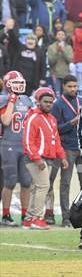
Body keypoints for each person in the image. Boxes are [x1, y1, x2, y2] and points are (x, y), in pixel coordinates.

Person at [22, 87, 69, 230]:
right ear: (38, 102)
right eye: (45, 102)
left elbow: (56, 141)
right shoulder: (33, 118)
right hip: (36, 159)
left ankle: (29, 219)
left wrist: (63, 157)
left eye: (50, 102)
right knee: (43, 186)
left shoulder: (52, 119)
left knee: (37, 188)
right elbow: (27, 142)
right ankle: (37, 219)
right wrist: (37, 159)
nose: (48, 104)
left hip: (48, 158)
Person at [44, 76, 82, 227]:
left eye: (75, 86)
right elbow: (54, 129)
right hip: (66, 147)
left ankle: (81, 216)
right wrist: (71, 123)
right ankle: (66, 217)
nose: (73, 89)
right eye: (70, 86)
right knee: (65, 183)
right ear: (63, 86)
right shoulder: (58, 104)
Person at [0, 71, 33, 226]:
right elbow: (6, 121)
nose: (19, 86)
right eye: (15, 83)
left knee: (27, 181)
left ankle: (25, 216)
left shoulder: (27, 100)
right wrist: (11, 101)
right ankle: (6, 215)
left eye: (21, 83)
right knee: (10, 181)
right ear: (8, 85)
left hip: (24, 145)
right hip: (9, 144)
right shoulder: (3, 99)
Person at [47, 30, 73, 95]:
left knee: (65, 94)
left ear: (65, 36)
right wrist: (57, 52)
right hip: (55, 74)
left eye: (62, 34)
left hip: (65, 74)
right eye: (59, 34)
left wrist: (63, 51)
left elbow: (69, 60)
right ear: (56, 36)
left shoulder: (68, 47)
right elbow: (51, 62)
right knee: (56, 95)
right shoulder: (51, 47)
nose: (60, 36)